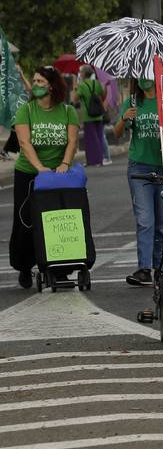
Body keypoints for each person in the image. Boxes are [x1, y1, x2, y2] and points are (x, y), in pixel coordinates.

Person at [9, 67, 79, 289]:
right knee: (26, 222)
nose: (36, 84)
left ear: (51, 85)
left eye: (40, 81)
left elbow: (72, 142)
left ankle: (60, 268)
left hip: (58, 177)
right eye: (34, 80)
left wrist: (65, 164)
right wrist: (40, 168)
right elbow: (24, 143)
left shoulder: (67, 111)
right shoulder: (26, 111)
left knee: (58, 223)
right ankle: (24, 266)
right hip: (29, 174)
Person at [113, 78, 163, 286]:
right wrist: (124, 118)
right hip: (139, 167)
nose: (145, 79)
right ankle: (144, 269)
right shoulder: (133, 101)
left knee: (162, 222)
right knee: (145, 220)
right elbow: (117, 133)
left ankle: (161, 268)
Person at [75, 65, 109, 167]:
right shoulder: (96, 83)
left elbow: (75, 98)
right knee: (99, 137)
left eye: (81, 72)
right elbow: (103, 96)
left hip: (88, 116)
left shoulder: (82, 85)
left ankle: (92, 161)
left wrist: (76, 87)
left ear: (84, 74)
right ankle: (100, 160)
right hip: (98, 115)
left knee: (90, 140)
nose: (80, 74)